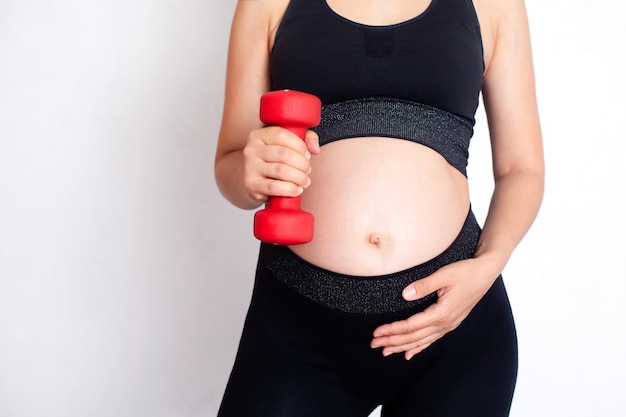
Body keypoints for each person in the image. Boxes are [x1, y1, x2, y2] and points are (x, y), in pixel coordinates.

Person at [214, 0, 544, 415]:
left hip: (455, 331)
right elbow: (231, 162)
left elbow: (522, 170)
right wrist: (250, 172)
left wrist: (488, 265)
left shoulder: (495, 5)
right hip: (297, 327)